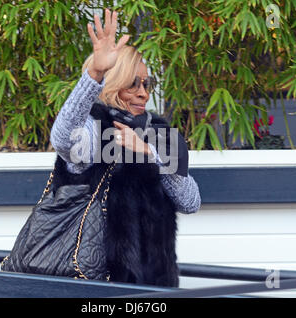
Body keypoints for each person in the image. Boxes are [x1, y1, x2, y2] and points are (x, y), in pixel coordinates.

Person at [49, 9, 201, 287]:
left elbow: (190, 201)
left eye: (147, 83)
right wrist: (94, 74)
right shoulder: (96, 129)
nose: (143, 93)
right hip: (96, 285)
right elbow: (62, 138)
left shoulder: (159, 134)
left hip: (155, 287)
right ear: (113, 84)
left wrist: (150, 154)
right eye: (133, 84)